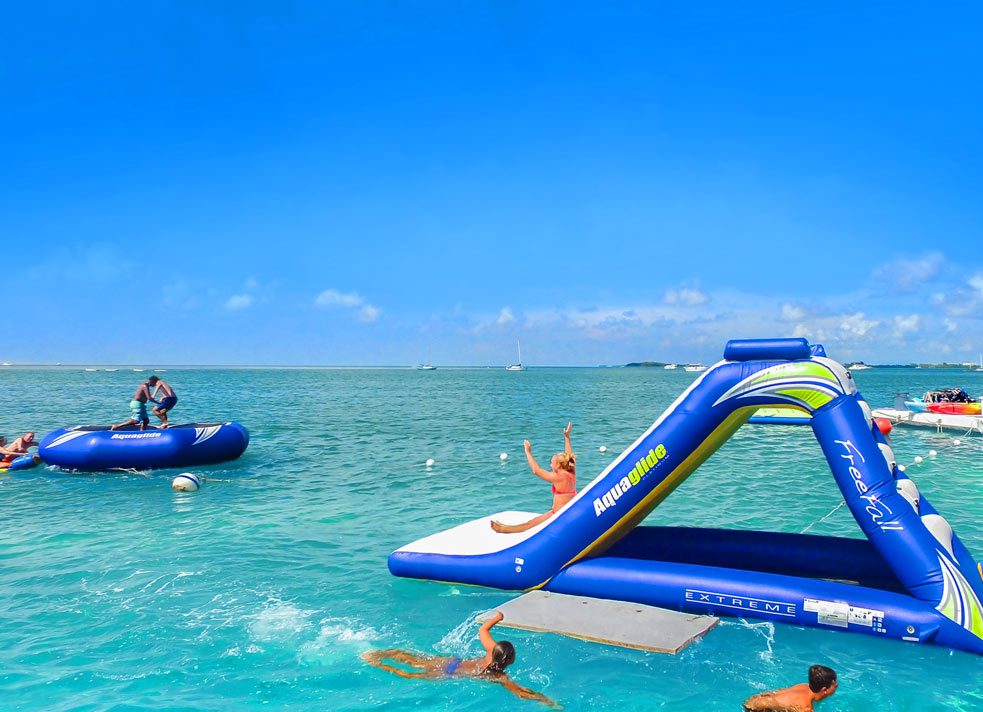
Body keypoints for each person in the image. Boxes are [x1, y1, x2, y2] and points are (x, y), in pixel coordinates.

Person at [362, 612, 558, 707]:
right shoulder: (498, 675)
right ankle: (378, 664)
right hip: (448, 672)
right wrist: (546, 700)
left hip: (451, 662)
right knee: (409, 675)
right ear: (509, 660)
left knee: (413, 661)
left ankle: (382, 654)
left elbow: (482, 629)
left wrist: (497, 617)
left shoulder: (491, 650)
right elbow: (521, 693)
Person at [491, 422, 576, 533]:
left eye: (552, 463)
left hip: (558, 514)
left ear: (558, 465)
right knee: (533, 522)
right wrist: (567, 437)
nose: (550, 465)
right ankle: (504, 528)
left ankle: (503, 529)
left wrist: (528, 452)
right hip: (568, 511)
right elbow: (568, 454)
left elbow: (536, 470)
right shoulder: (571, 471)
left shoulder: (558, 477)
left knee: (530, 524)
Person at [742, 665, 838, 712]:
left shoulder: (804, 686)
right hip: (755, 708)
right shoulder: (806, 708)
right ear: (824, 690)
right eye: (834, 684)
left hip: (756, 699)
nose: (837, 685)